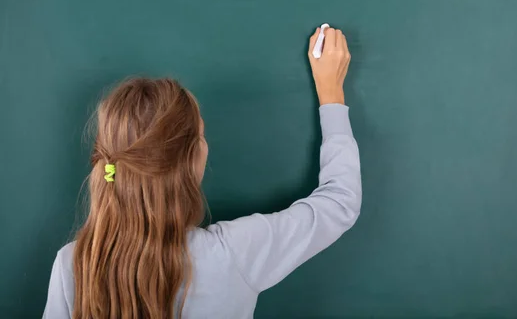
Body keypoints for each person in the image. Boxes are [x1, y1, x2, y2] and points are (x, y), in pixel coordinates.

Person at [43, 27, 361, 319]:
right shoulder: (233, 254)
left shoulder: (73, 265)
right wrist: (331, 95)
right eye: (201, 136)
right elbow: (340, 203)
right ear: (192, 159)